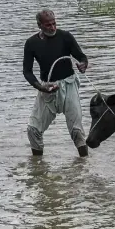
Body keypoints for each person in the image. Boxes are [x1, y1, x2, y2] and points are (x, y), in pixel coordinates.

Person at [23, 10, 89, 157]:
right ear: (39, 25)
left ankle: (84, 164)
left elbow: (81, 57)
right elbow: (27, 71)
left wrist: (83, 64)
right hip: (47, 88)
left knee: (77, 131)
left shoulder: (65, 37)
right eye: (48, 25)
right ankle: (38, 163)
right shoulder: (31, 43)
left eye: (54, 23)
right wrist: (41, 87)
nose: (52, 27)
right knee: (33, 130)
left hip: (69, 85)